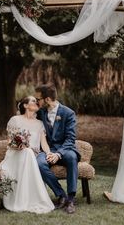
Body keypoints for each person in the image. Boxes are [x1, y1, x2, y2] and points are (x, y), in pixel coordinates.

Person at [0, 96, 55, 214]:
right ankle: (21, 200)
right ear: (25, 105)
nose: (36, 102)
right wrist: (18, 146)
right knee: (27, 151)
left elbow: (43, 144)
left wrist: (49, 153)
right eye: (33, 101)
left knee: (29, 152)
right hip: (16, 154)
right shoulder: (15, 120)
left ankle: (33, 199)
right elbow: (9, 142)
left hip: (33, 156)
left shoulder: (40, 123)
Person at [35, 84, 80, 214]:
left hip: (65, 150)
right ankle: (61, 195)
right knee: (39, 163)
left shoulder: (68, 113)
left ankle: (71, 199)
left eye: (39, 99)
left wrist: (59, 154)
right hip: (47, 150)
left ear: (47, 99)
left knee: (72, 158)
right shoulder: (41, 113)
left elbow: (70, 139)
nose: (37, 101)